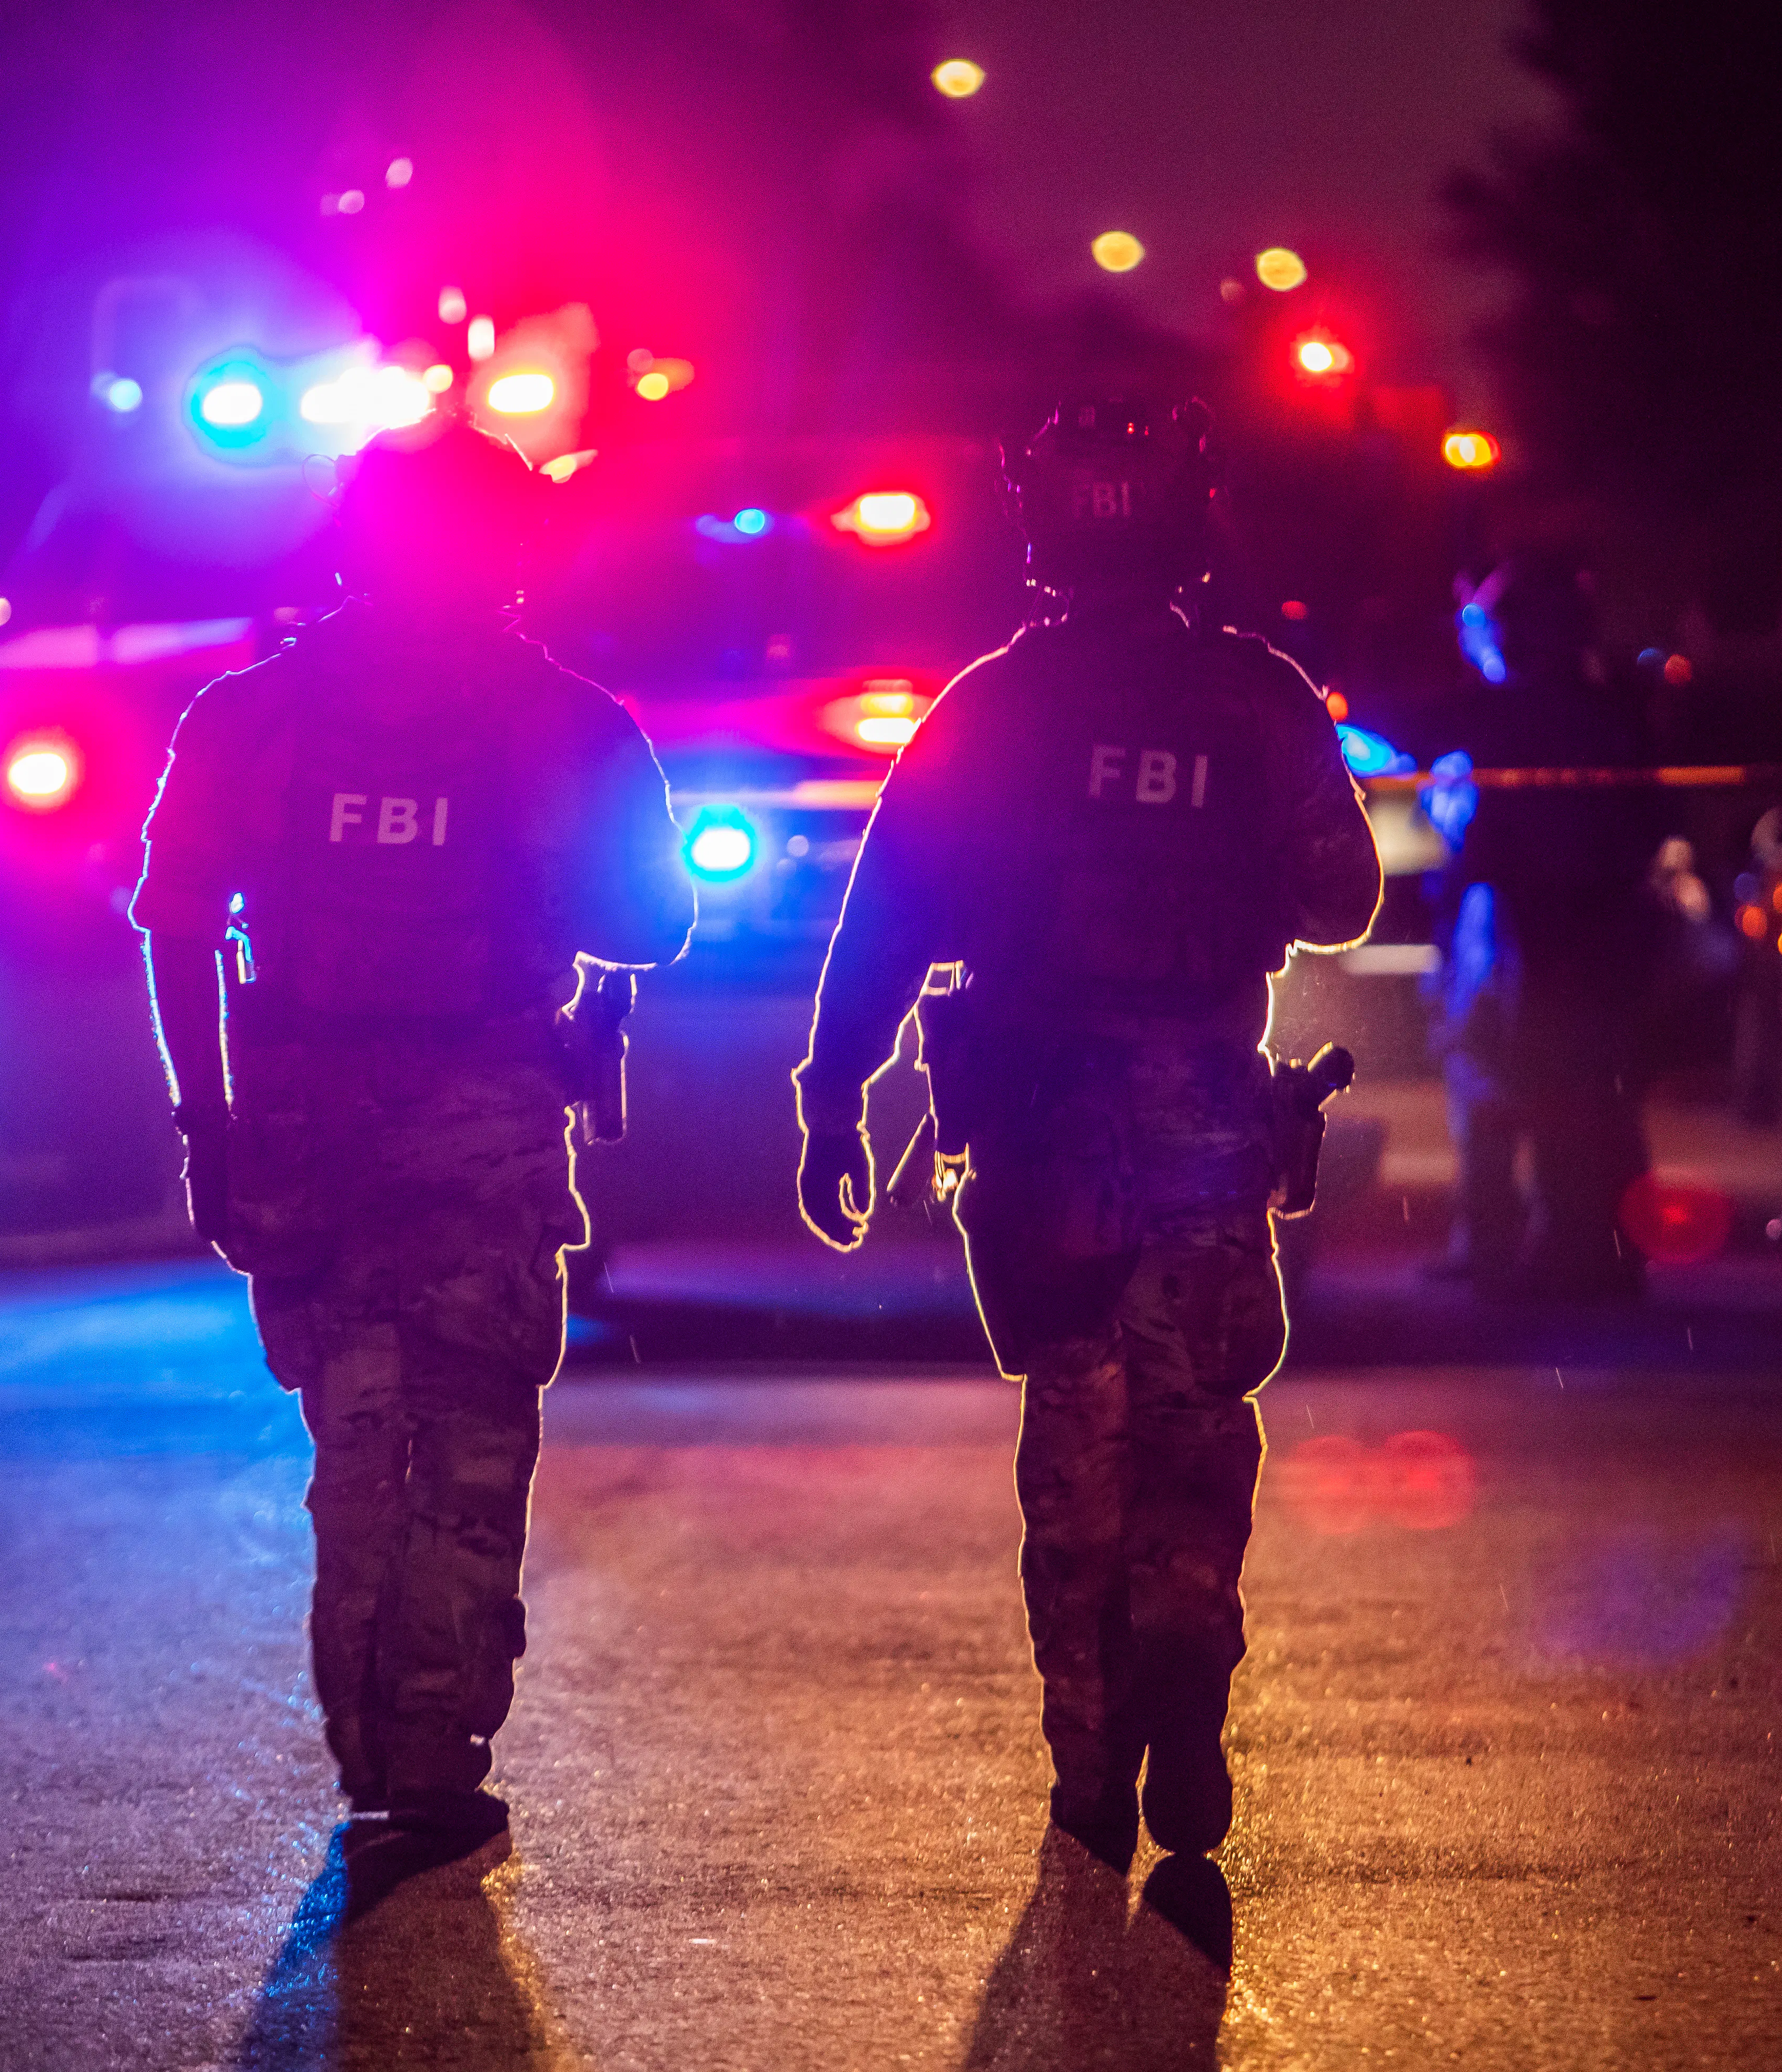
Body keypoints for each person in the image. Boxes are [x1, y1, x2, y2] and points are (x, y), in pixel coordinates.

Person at [792, 398, 1381, 1870]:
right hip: (1200, 1112)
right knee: (1194, 1413)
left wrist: (831, 1095)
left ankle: (1087, 1752)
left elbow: (888, 918)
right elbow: (1342, 898)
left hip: (1040, 1117)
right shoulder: (1253, 698)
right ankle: (1186, 1636)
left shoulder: (992, 705)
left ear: (1037, 523)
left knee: (1075, 1424)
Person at [136, 419, 695, 1899]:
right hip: (487, 1126)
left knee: (349, 1436)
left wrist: (211, 1122)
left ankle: (372, 1740)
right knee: (467, 1441)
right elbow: (653, 923)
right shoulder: (564, 718)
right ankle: (432, 1748)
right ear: (509, 548)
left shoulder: (244, 714)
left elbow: (179, 927)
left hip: (303, 1128)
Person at [1424, 557, 1659, 1297]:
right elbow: (1650, 823)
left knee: (1502, 1084)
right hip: (1598, 931)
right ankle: (1604, 1248)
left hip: (1514, 933)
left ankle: (1519, 1245)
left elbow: (1475, 832)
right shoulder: (1611, 710)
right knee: (1595, 1092)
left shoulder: (1497, 718)